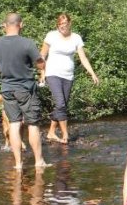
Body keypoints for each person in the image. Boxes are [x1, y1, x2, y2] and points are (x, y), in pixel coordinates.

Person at [0, 12, 49, 169]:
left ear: (4, 25)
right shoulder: (27, 43)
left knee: (14, 124)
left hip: (7, 89)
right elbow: (40, 65)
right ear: (20, 24)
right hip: (25, 89)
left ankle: (18, 164)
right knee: (32, 124)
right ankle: (39, 161)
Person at [39, 13, 99, 144]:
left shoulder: (76, 38)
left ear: (69, 24)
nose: (62, 27)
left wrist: (92, 73)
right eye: (60, 24)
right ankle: (65, 134)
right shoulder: (51, 35)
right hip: (52, 73)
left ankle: (51, 132)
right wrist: (42, 73)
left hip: (68, 76)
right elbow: (42, 55)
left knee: (62, 105)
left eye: (64, 24)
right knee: (61, 103)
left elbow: (83, 58)